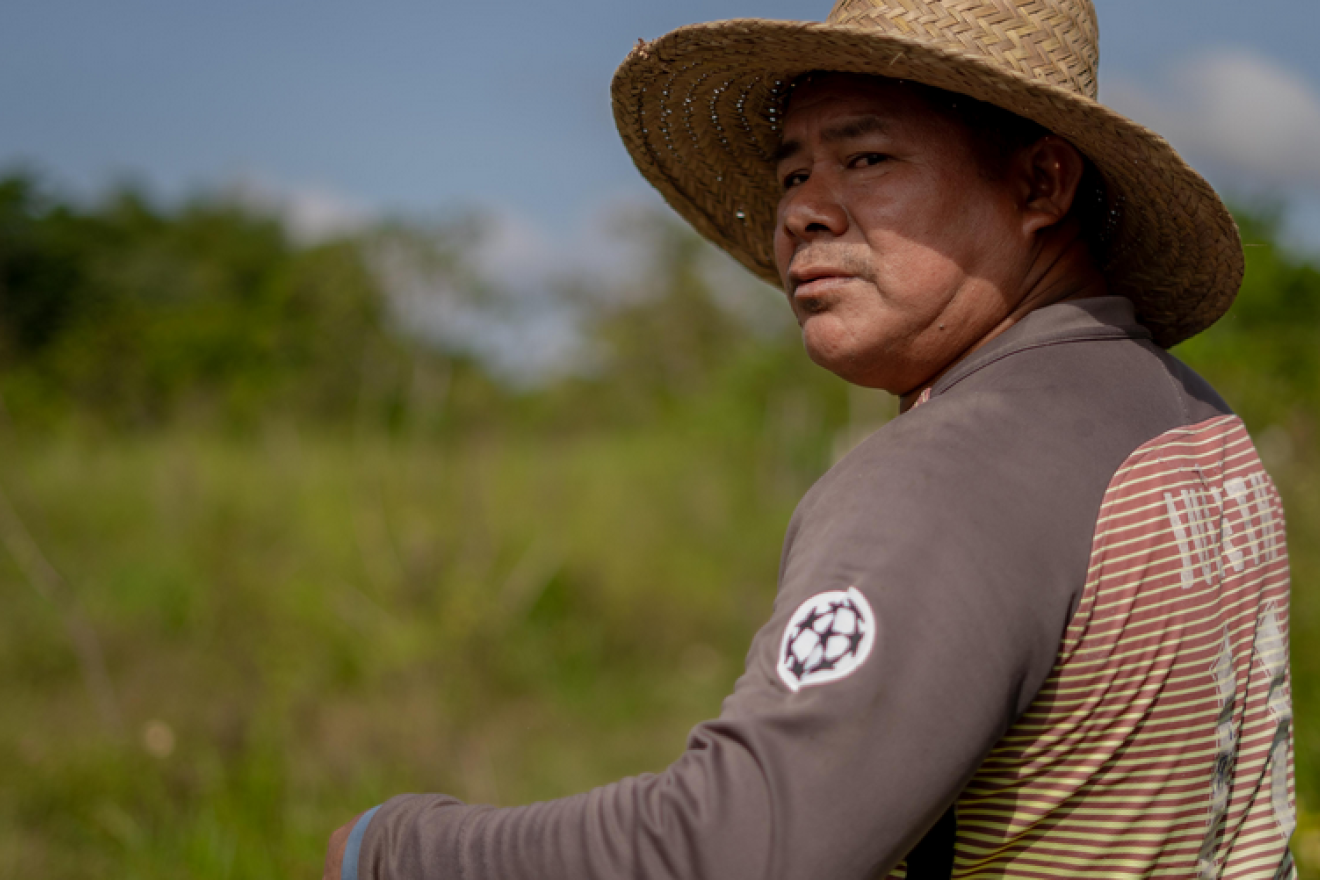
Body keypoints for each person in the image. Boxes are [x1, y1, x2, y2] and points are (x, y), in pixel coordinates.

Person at [325, 1, 1296, 877]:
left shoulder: (948, 475)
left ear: (1040, 182)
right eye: (793, 174)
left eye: (867, 159)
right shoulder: (1189, 420)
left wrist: (395, 848)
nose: (800, 211)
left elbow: (742, 848)